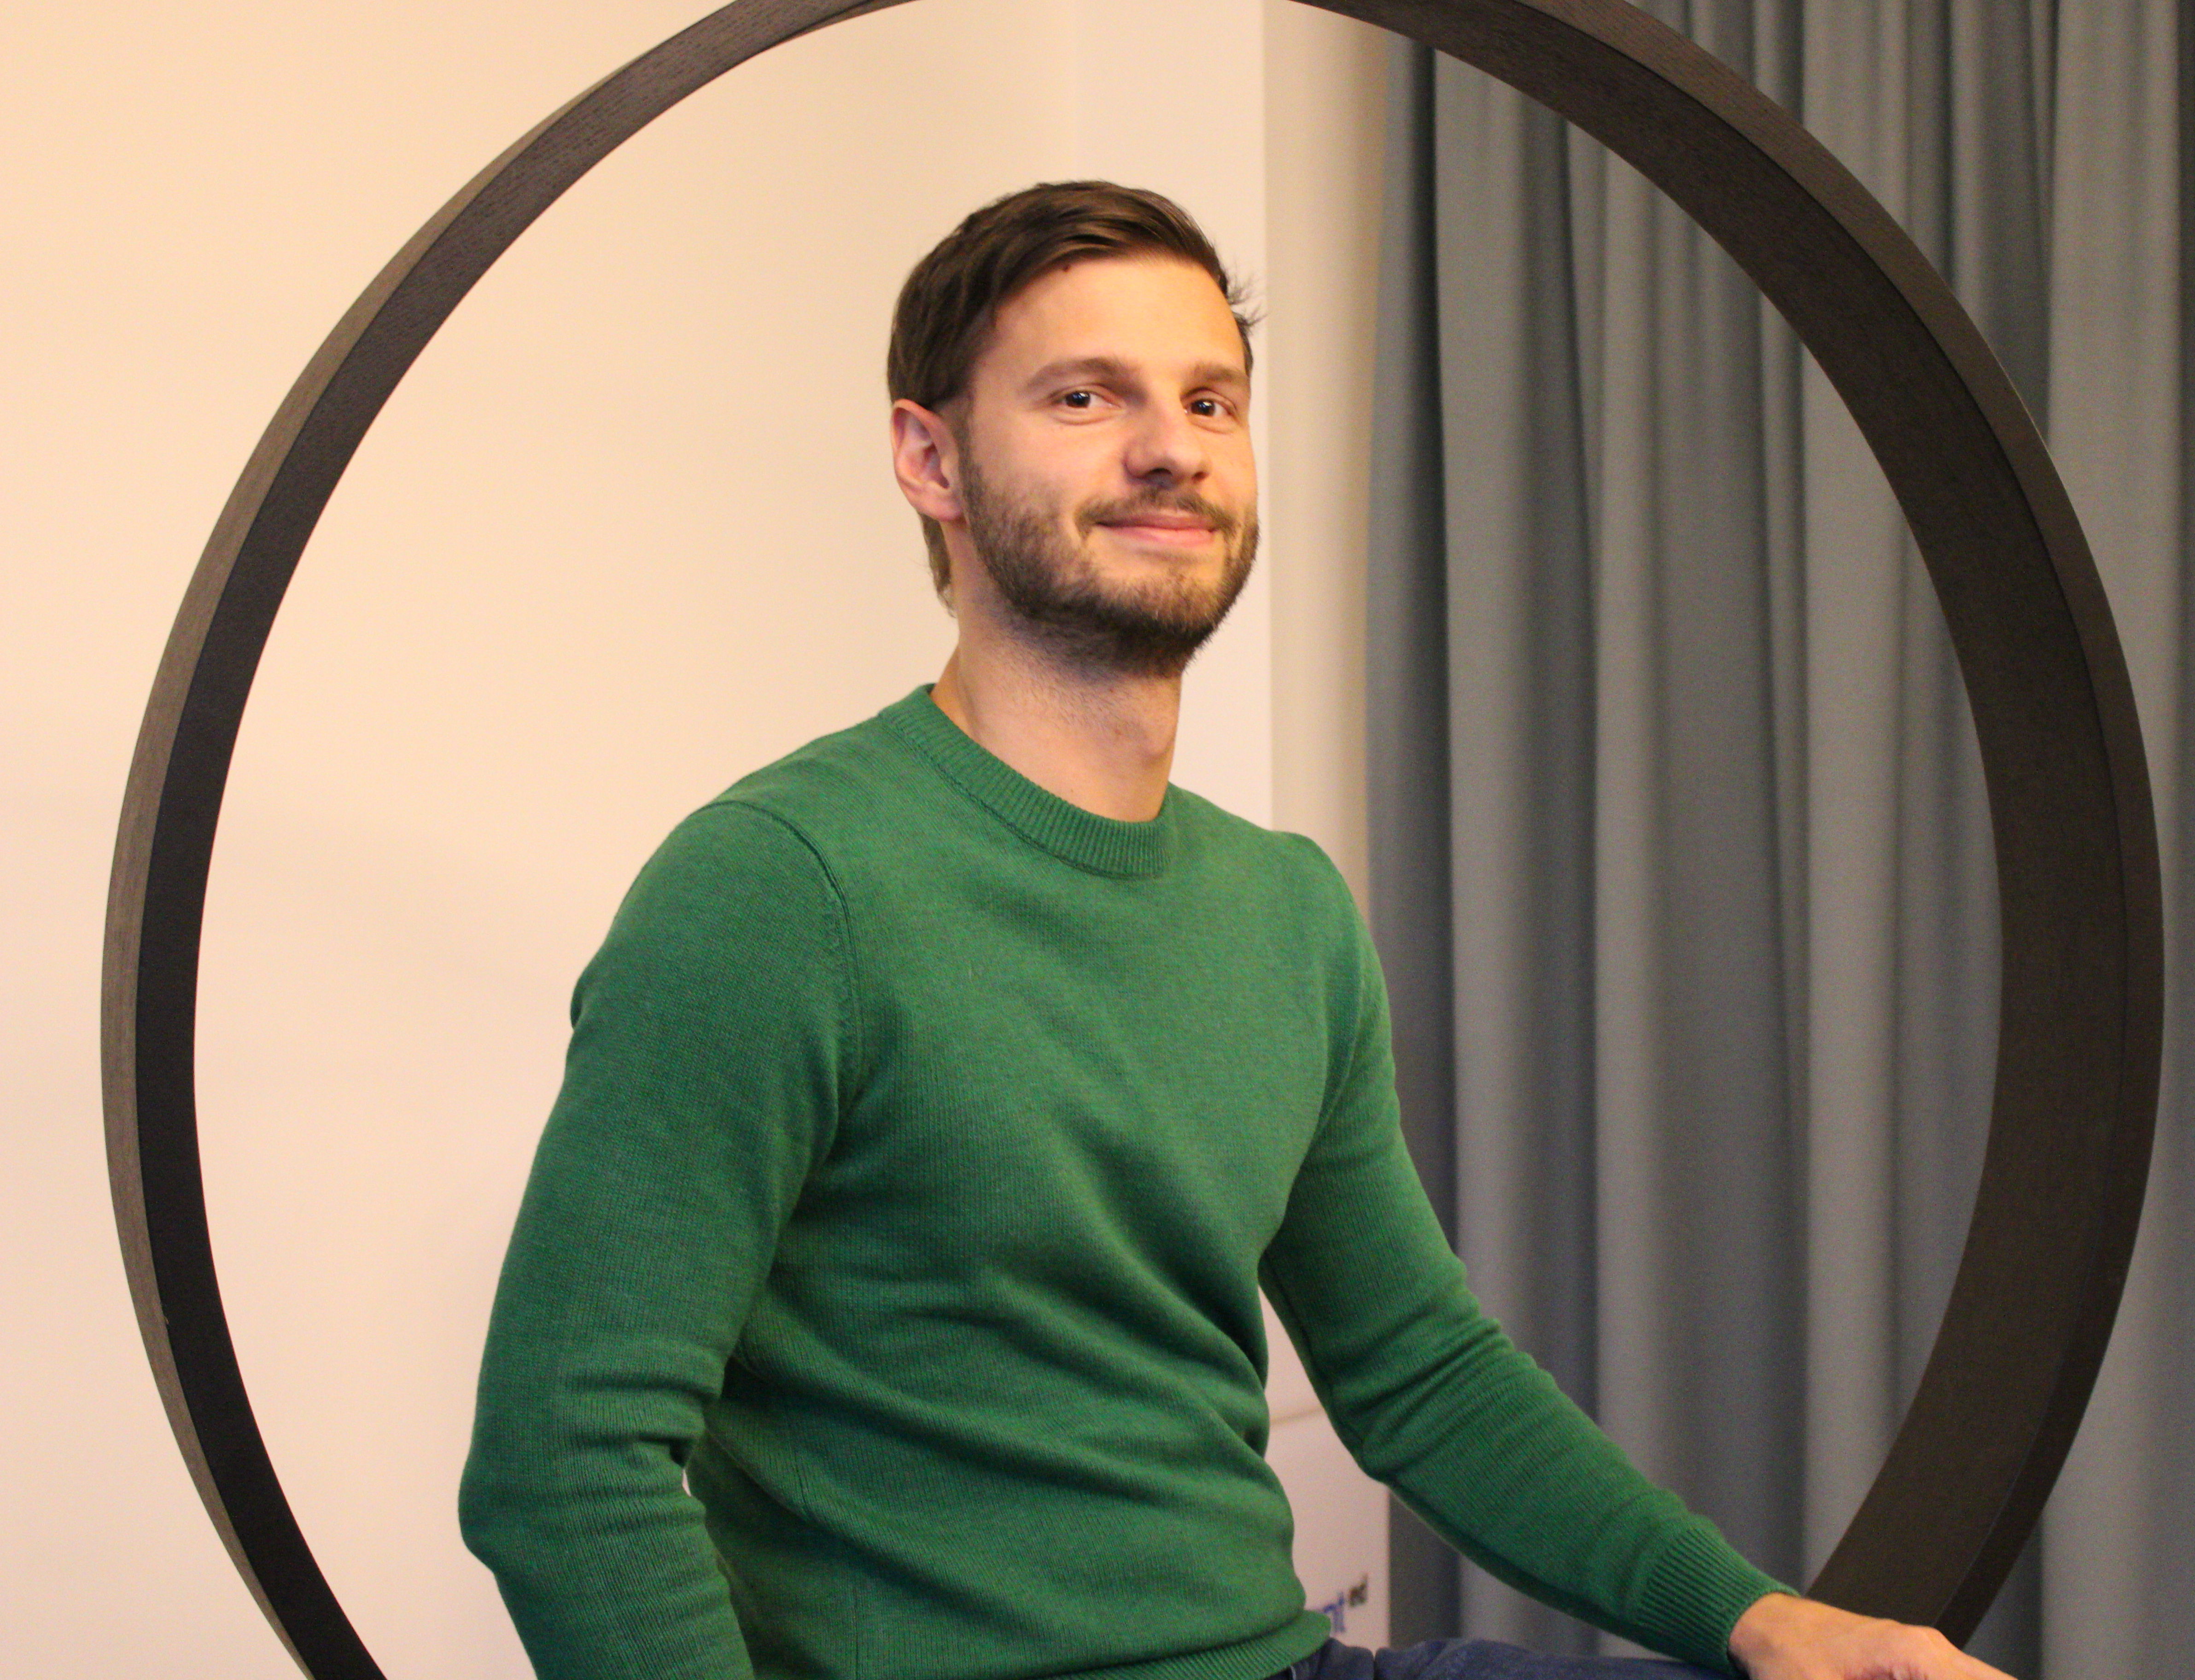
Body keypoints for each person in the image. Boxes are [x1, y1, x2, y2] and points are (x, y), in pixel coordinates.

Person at [459, 181, 2013, 1680]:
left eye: (1210, 401)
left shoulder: (1285, 909)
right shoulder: (780, 887)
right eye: (1085, 398)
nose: (1169, 448)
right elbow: (564, 1458)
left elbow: (1423, 1377)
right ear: (930, 461)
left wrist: (1759, 1619)